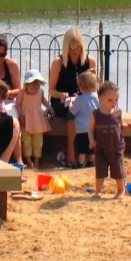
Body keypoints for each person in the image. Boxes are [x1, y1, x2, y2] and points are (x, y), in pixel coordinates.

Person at [49, 28, 97, 167]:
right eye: (71, 48)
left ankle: (90, 153)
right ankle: (71, 149)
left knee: (91, 112)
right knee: (72, 113)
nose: (74, 51)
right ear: (66, 47)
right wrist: (62, 95)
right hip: (63, 100)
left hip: (83, 98)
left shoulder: (90, 61)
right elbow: (51, 90)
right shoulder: (58, 62)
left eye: (77, 47)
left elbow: (94, 87)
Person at [88, 80, 131, 199]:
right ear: (101, 99)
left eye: (116, 100)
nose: (113, 103)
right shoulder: (96, 114)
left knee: (118, 171)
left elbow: (120, 125)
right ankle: (98, 191)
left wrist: (128, 127)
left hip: (116, 147)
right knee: (100, 172)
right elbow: (90, 129)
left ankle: (120, 190)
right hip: (101, 148)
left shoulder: (118, 112)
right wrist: (92, 140)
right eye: (110, 100)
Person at [14, 69, 51, 169]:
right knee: (26, 140)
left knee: (38, 140)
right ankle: (29, 160)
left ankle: (37, 160)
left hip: (37, 119)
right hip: (25, 119)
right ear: (26, 84)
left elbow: (43, 101)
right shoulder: (22, 93)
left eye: (37, 84)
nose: (34, 87)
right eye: (32, 84)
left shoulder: (40, 92)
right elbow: (17, 105)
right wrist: (21, 116)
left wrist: (50, 107)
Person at [67, 70, 100, 169]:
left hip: (82, 128)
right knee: (91, 145)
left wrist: (70, 103)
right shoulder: (95, 97)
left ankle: (81, 162)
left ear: (81, 86)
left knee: (81, 146)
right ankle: (91, 161)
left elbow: (73, 111)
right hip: (93, 127)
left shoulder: (80, 99)